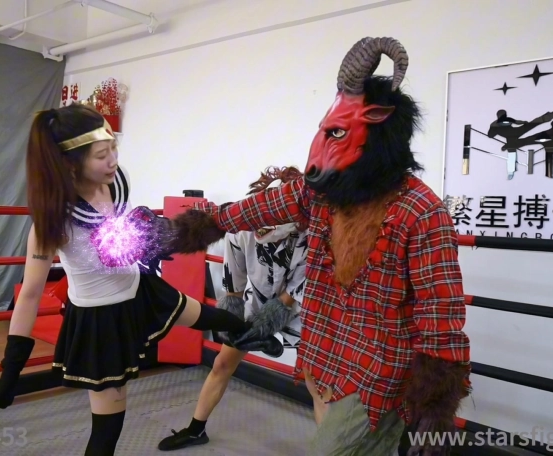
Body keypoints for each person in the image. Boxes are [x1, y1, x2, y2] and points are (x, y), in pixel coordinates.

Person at [168, 37, 472, 456]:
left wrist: (434, 405)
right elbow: (261, 207)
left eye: (337, 133)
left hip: (378, 369)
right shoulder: (325, 195)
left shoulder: (421, 212)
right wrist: (200, 226)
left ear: (376, 125)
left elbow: (440, 310)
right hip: (326, 347)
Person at [0, 104, 251, 456]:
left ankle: (255, 332)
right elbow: (31, 294)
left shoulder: (114, 184)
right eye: (101, 155)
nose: (113, 161)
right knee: (107, 430)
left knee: (211, 316)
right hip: (100, 320)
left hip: (140, 290)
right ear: (70, 162)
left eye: (114, 149)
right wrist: (11, 370)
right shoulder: (54, 223)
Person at [157, 165, 309, 451]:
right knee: (222, 364)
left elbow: (292, 296)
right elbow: (233, 288)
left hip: (302, 308)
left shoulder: (311, 237)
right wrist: (234, 325)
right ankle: (196, 430)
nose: (264, 227)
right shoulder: (241, 231)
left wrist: (265, 327)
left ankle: (335, 447)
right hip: (258, 301)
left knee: (315, 380)